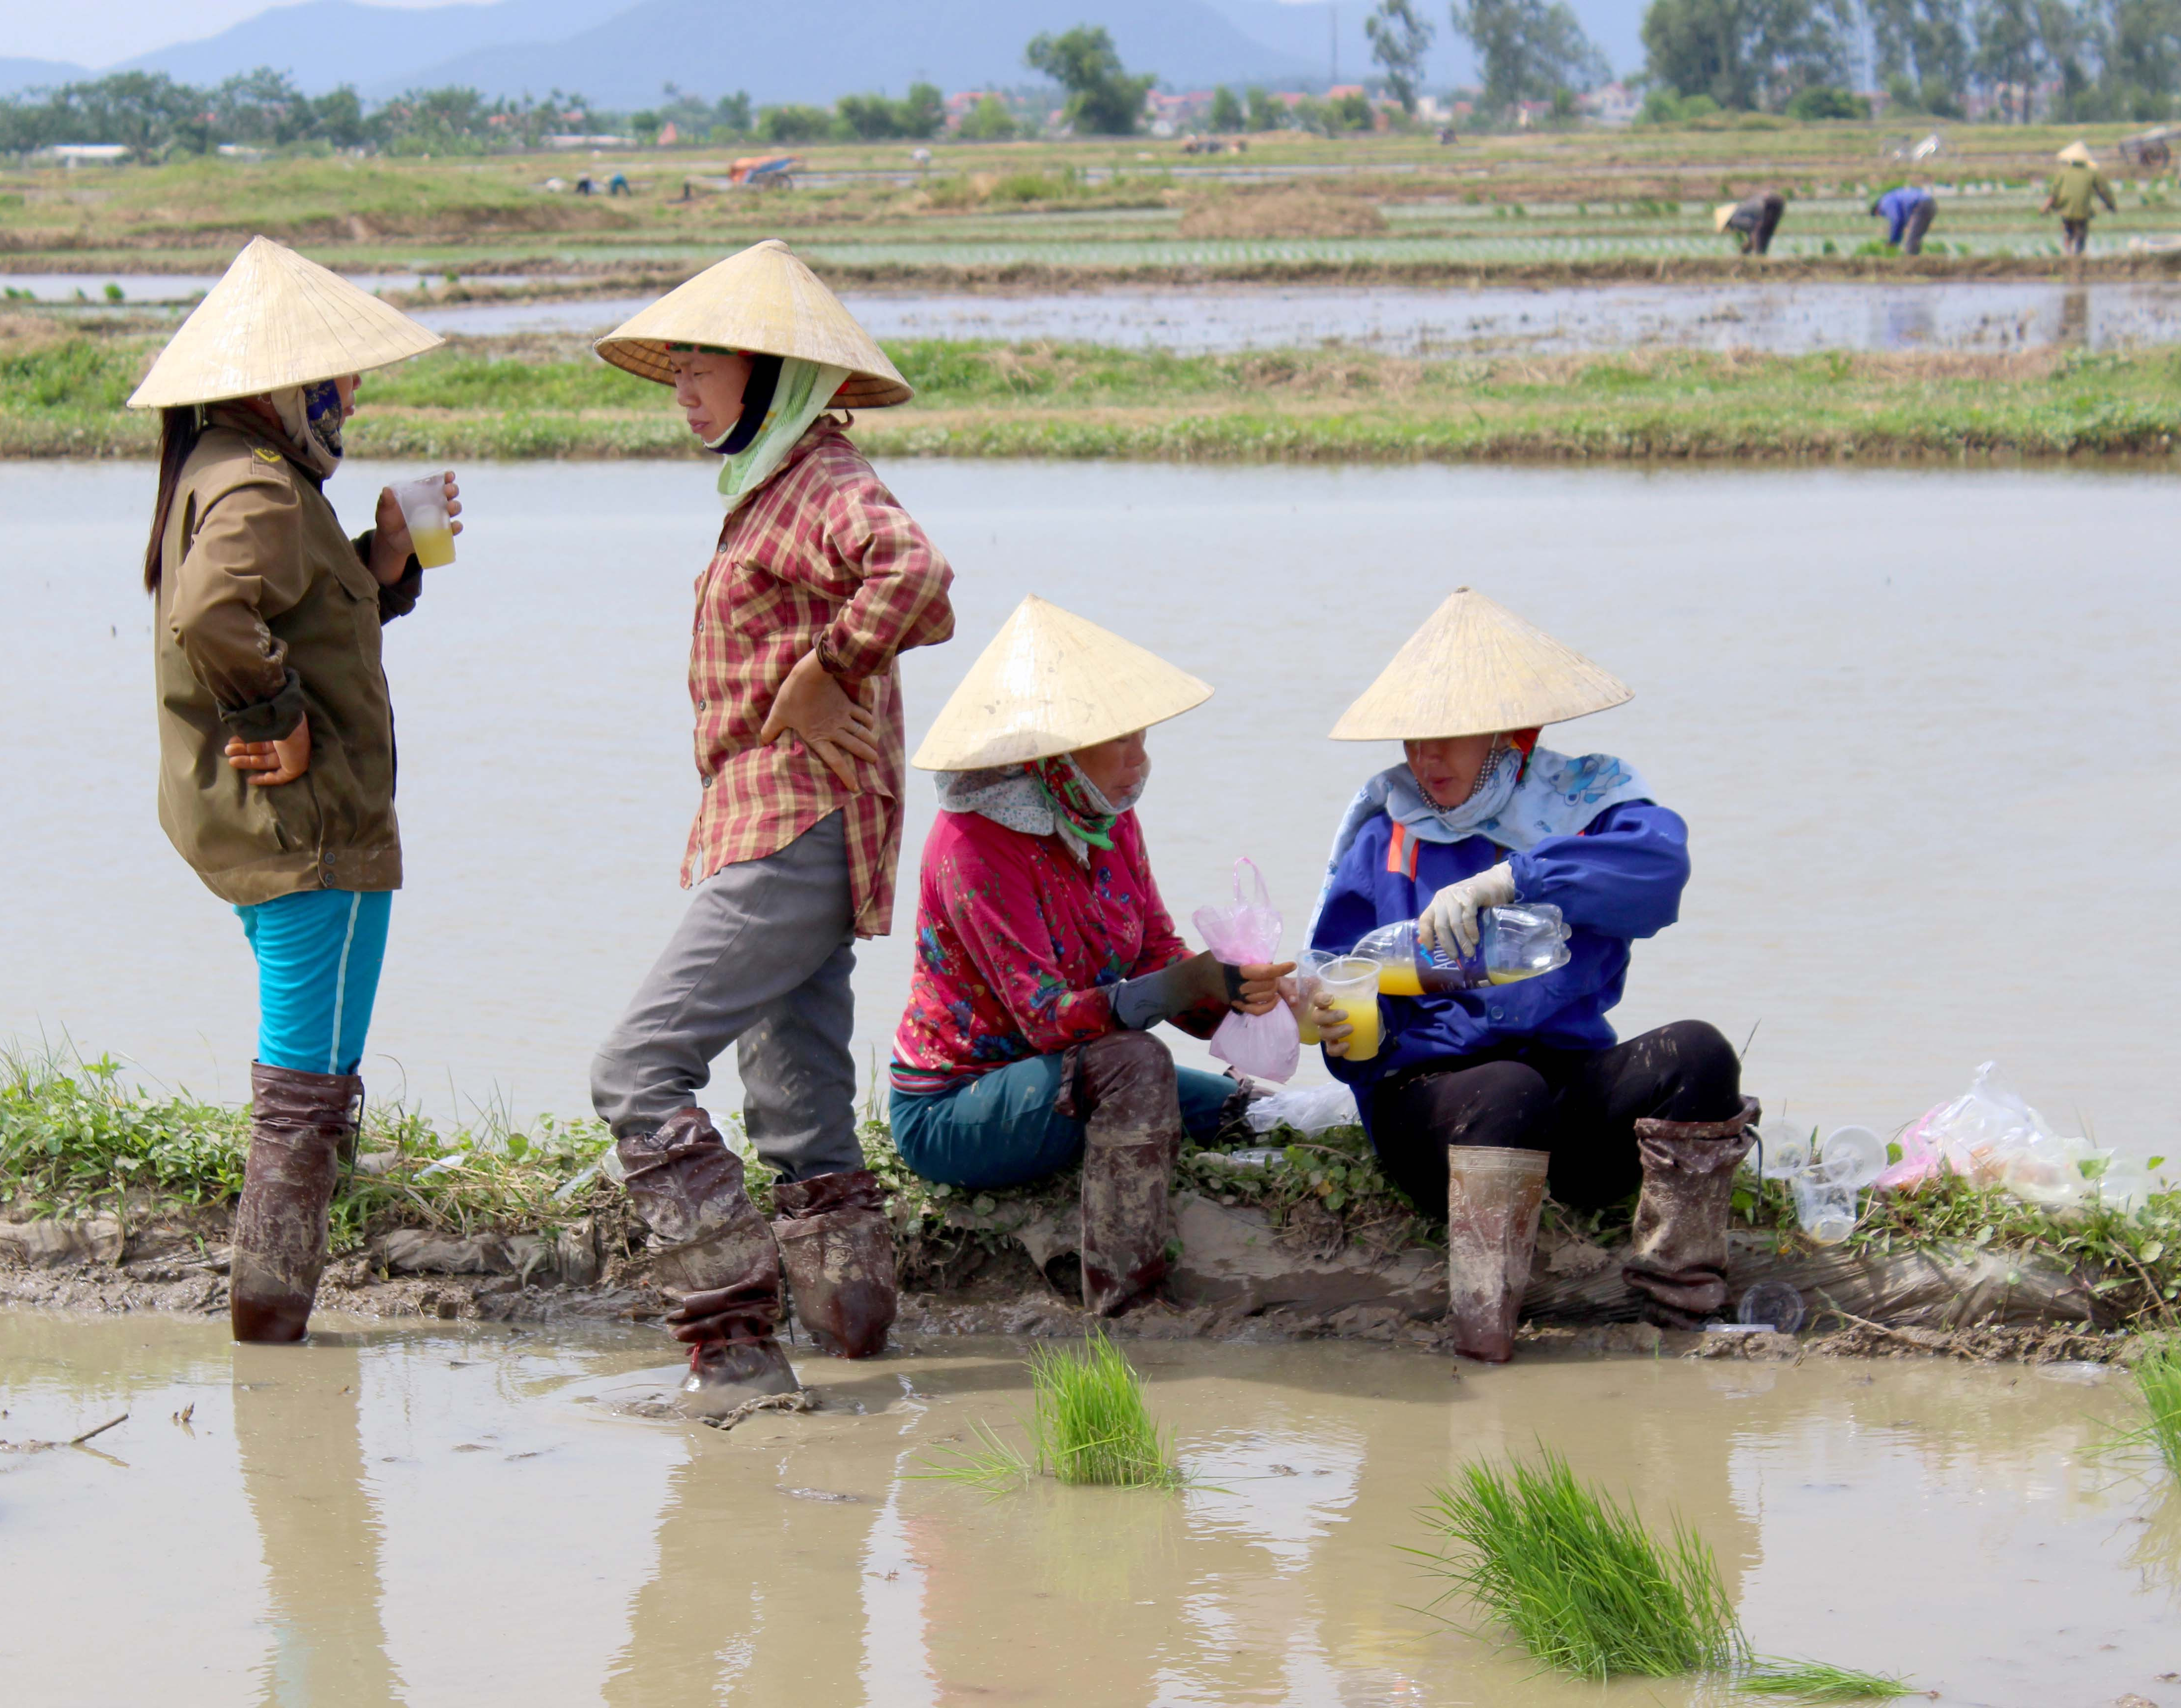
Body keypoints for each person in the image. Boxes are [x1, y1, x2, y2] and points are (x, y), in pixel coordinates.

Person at [587, 239, 956, 1415]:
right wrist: (833, 662)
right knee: (795, 1094)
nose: (682, 386)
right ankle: (854, 1327)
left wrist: (827, 667)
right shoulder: (778, 486)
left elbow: (914, 569)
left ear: (771, 373)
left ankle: (733, 1343)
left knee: (636, 1070)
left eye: (702, 362)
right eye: (679, 365)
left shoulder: (818, 480)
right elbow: (930, 602)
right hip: (791, 820)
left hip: (791, 824)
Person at [128, 236, 462, 1344]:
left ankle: (292, 1302)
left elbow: (304, 615)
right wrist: (283, 721)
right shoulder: (263, 489)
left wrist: (385, 559)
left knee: (311, 1070)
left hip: (273, 831)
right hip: (315, 838)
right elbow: (213, 619)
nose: (353, 392)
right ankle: (270, 1335)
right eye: (337, 373)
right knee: (304, 1092)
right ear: (275, 383)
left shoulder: (234, 467)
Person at [1299, 587, 1754, 1362]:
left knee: (1700, 1054)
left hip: (1562, 1090)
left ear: (1511, 734)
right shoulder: (1385, 835)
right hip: (1435, 1107)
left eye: (1449, 738)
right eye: (1415, 740)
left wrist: (1514, 881)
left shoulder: (1582, 803)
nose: (1426, 760)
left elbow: (1659, 873)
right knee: (1507, 1090)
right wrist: (1338, 1030)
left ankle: (1680, 1309)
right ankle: (1485, 1336)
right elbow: (1345, 999)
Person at [888, 597, 1292, 1316]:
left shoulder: (1106, 818)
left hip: (1070, 1079)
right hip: (958, 1107)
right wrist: (1180, 985)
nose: (1139, 760)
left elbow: (1156, 950)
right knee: (1138, 1063)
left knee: (1248, 1110)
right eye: (1120, 742)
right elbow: (1047, 1021)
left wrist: (1233, 990)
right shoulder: (973, 844)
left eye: (1141, 738)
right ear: (1054, 755)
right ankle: (1126, 1301)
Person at [2045, 141, 2115, 256]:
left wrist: (2046, 208)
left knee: (2068, 230)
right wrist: (2111, 205)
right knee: (2081, 231)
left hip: (2066, 207)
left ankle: (2068, 252)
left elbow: (2054, 194)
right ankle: (2079, 254)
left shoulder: (2063, 173)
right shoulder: (2093, 173)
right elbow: (2103, 192)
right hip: (2083, 209)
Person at [1713, 190, 1786, 255]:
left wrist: (1750, 247)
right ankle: (1762, 258)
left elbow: (1753, 229)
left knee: (1761, 234)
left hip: (1768, 203)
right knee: (1766, 234)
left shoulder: (1735, 220)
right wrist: (1749, 246)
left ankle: (1760, 258)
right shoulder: (1741, 210)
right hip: (1777, 202)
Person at [1873, 181, 1937, 255]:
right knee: (1915, 238)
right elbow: (1901, 221)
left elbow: (1897, 220)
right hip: (1931, 204)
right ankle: (1915, 261)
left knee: (1911, 240)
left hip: (1921, 205)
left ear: (1877, 209)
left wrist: (1893, 241)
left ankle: (1911, 262)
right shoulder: (1892, 197)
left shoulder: (1885, 203)